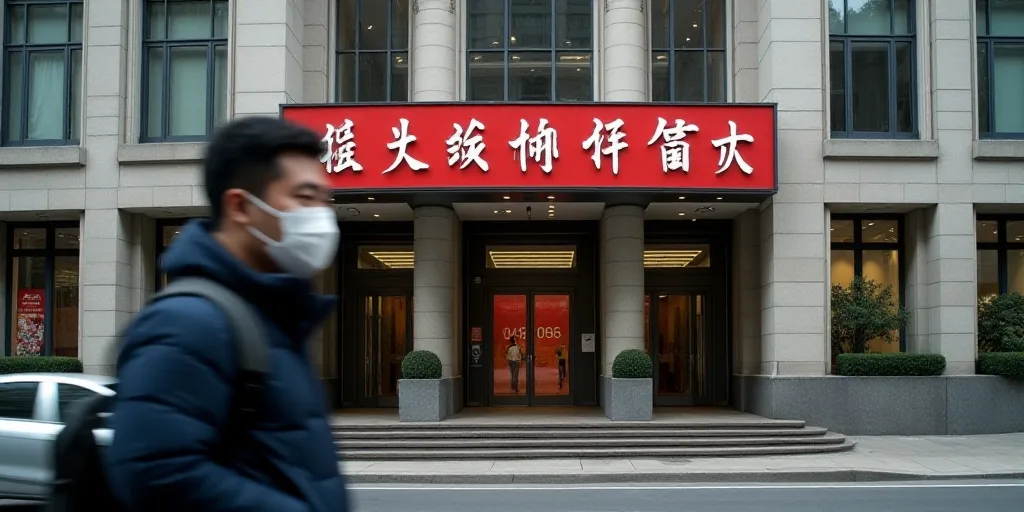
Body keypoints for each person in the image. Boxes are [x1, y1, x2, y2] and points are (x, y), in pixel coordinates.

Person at [106, 117, 348, 512]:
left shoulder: (273, 318)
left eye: (325, 200)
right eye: (305, 197)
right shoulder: (187, 324)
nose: (322, 215)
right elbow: (158, 473)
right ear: (240, 206)